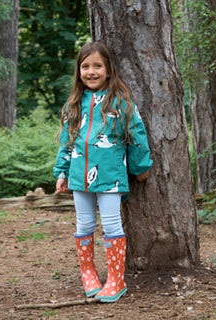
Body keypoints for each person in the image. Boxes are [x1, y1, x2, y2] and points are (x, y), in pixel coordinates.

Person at [53, 41, 153, 303]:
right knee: (84, 224)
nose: (91, 71)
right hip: (78, 177)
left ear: (108, 70)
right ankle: (88, 274)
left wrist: (140, 167)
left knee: (111, 224)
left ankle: (116, 280)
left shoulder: (120, 103)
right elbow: (66, 141)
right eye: (85, 66)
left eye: (98, 66)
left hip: (109, 175)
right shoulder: (73, 105)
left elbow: (137, 135)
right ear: (79, 71)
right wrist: (62, 172)